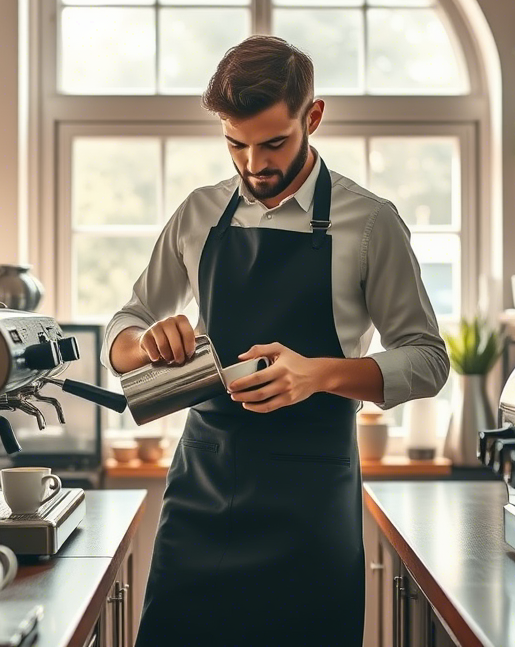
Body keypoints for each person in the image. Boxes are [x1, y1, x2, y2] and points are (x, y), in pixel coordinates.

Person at [102, 35, 450, 647]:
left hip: (310, 511)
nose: (253, 164)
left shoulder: (369, 223)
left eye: (274, 143)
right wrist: (148, 340)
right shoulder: (198, 213)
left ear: (312, 118)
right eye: (235, 144)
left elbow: (427, 359)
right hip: (200, 499)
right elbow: (122, 330)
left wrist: (318, 374)